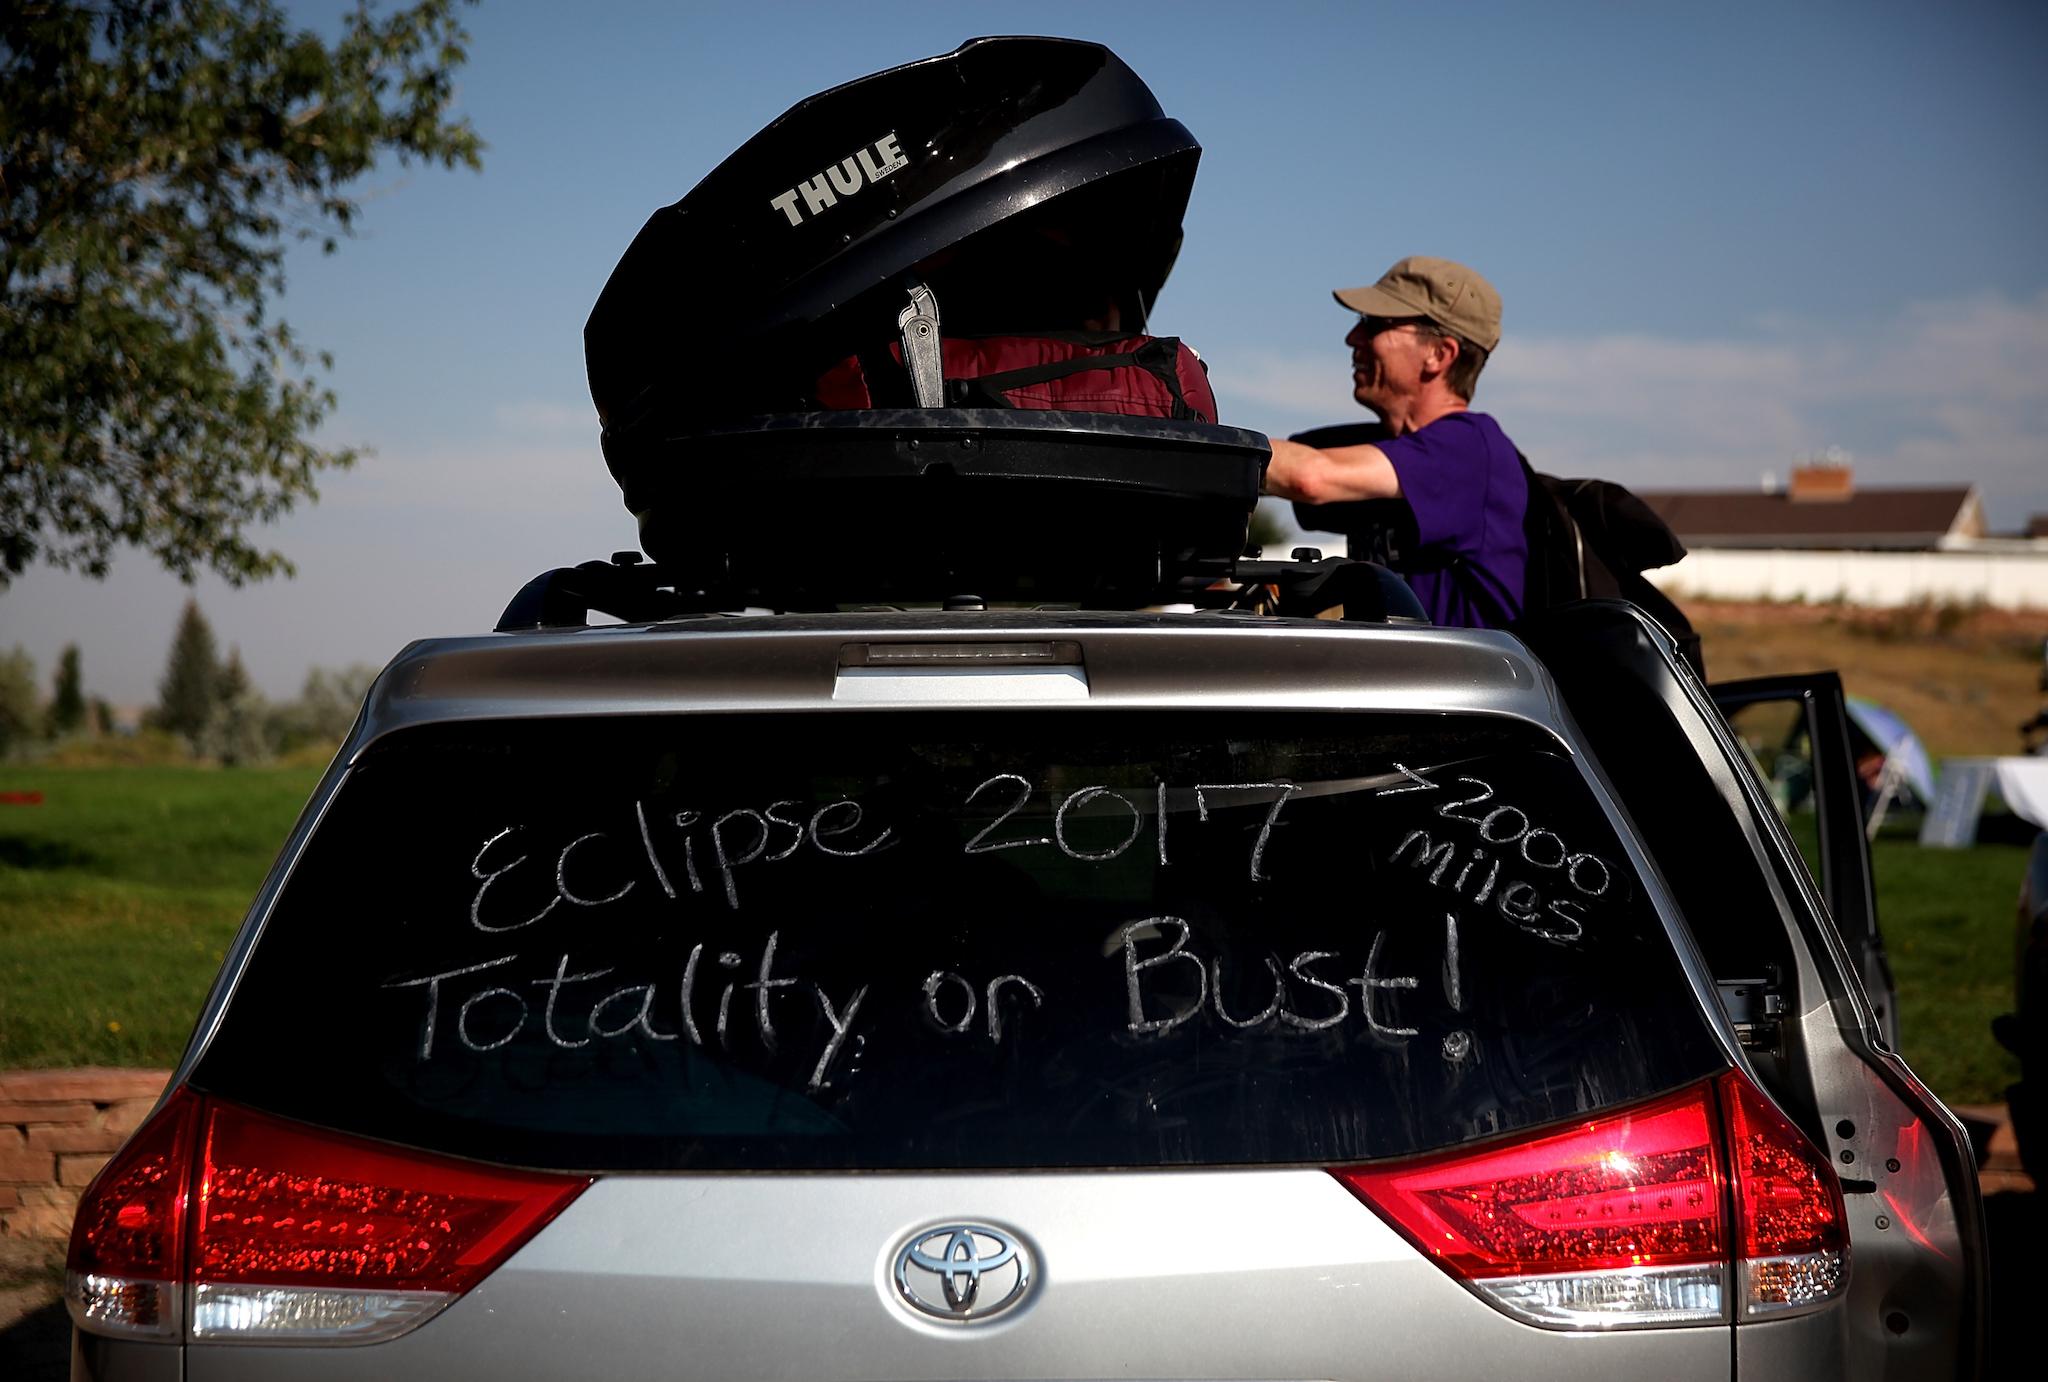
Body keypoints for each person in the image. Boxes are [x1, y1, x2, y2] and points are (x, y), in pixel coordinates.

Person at [1262, 256, 1526, 629]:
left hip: (1464, 683)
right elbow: (1285, 464)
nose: (1352, 338)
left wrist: (1189, 446)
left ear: (1439, 354)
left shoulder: (1470, 448)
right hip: (1406, 680)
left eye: (1373, 324)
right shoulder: (1393, 447)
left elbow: (1309, 476)